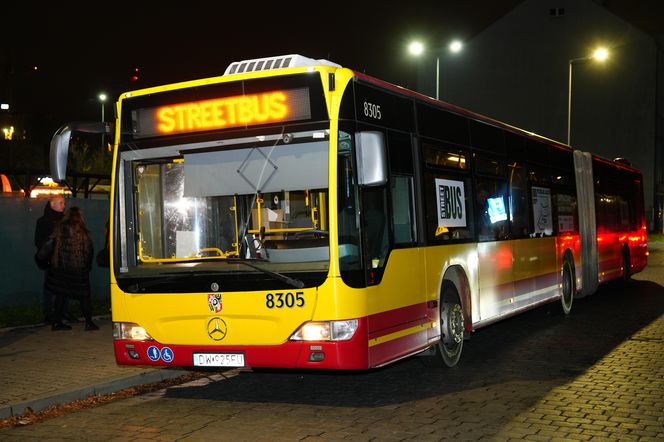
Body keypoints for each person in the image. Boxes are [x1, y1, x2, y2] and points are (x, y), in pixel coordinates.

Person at [46, 206, 99, 331]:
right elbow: (89, 251)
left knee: (60, 295)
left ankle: (56, 322)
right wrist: (86, 267)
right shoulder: (83, 232)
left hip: (62, 270)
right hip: (78, 270)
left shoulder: (59, 229)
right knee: (84, 297)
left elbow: (51, 247)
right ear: (80, 217)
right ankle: (89, 322)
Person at [34, 195, 77, 324]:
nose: (63, 205)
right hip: (52, 260)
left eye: (63, 203)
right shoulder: (44, 221)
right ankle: (49, 313)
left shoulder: (65, 220)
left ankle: (63, 312)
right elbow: (39, 241)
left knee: (65, 286)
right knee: (50, 287)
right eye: (61, 203)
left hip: (65, 259)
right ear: (52, 204)